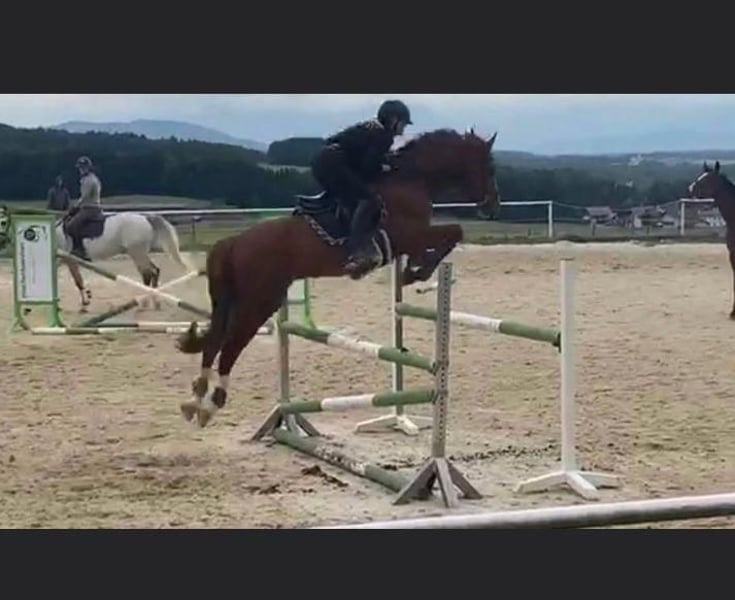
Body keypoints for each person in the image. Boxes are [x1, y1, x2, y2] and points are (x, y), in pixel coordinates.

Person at [311, 99, 413, 274]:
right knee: (369, 200)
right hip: (333, 165)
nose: (403, 130)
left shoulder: (371, 128)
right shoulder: (384, 136)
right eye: (403, 124)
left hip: (323, 161)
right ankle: (358, 251)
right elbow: (368, 168)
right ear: (393, 120)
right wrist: (386, 168)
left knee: (354, 197)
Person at [64, 156, 103, 261]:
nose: (81, 170)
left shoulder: (89, 180)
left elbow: (84, 197)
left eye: (82, 168)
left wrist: (75, 207)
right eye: (80, 168)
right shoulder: (90, 178)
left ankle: (80, 250)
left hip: (90, 208)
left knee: (71, 226)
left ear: (88, 168)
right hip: (90, 207)